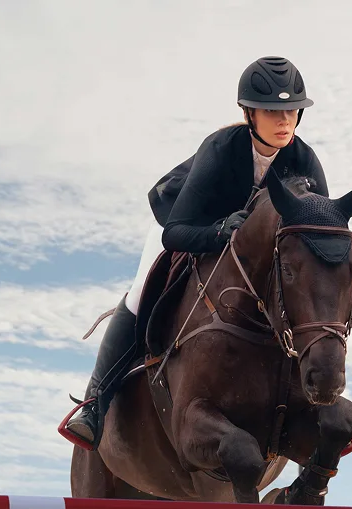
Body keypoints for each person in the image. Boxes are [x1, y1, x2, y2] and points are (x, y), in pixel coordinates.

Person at [65, 55, 329, 450]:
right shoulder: (222, 148)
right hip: (186, 224)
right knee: (140, 293)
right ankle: (95, 403)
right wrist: (219, 232)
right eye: (272, 111)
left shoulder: (304, 160)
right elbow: (175, 233)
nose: (284, 120)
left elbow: (315, 235)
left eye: (291, 110)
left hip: (250, 251)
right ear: (249, 113)